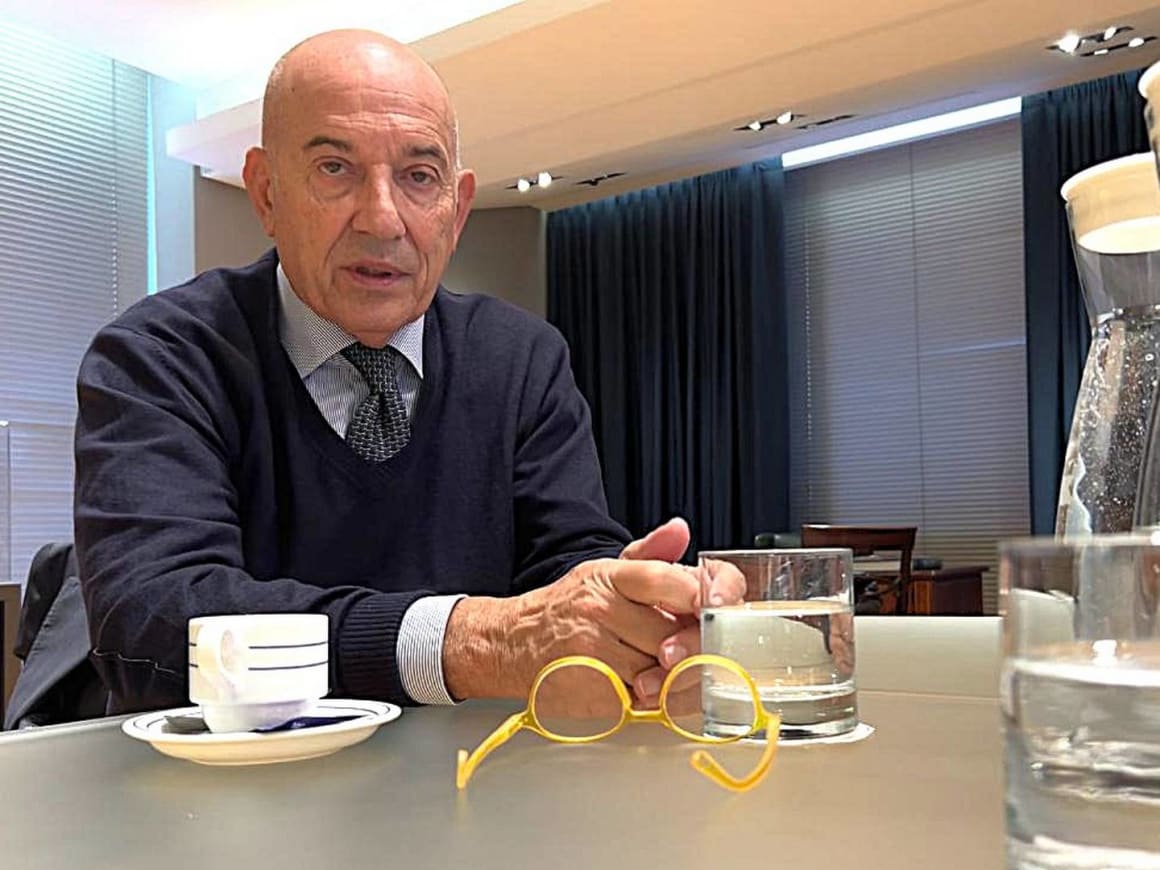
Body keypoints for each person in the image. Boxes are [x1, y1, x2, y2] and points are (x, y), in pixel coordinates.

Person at [74, 29, 740, 717]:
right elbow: (151, 620)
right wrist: (470, 644)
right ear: (266, 193)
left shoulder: (521, 359)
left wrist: (638, 621)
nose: (382, 219)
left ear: (457, 209)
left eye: (419, 177)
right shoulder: (160, 356)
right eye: (335, 168)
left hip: (474, 774)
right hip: (228, 777)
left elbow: (565, 570)